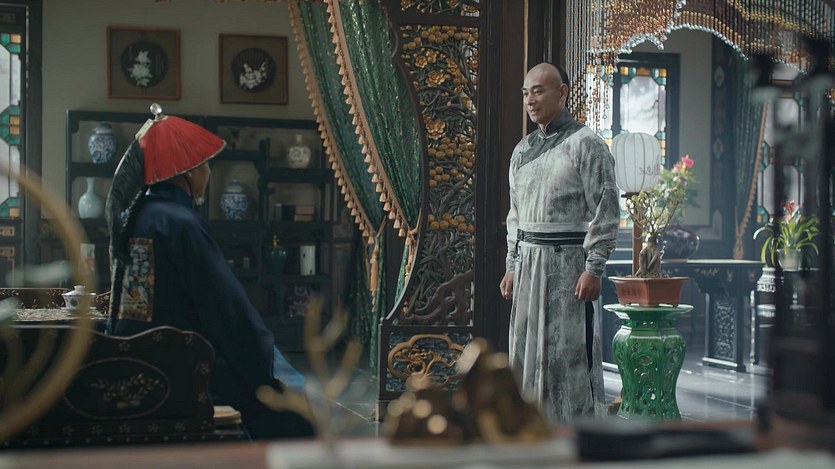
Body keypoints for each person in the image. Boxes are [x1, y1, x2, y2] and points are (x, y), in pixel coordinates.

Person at [104, 104, 314, 440]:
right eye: (205, 165)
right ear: (187, 172)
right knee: (289, 409)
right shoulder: (180, 223)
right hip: (180, 366)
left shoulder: (135, 215)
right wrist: (262, 362)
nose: (208, 172)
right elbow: (226, 309)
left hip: (136, 358)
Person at [499, 63, 619, 423]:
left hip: (568, 268)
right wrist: (512, 265)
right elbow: (516, 216)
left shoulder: (587, 144)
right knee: (525, 355)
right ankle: (527, 429)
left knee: (568, 358)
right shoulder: (522, 151)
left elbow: (606, 208)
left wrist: (594, 268)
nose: (530, 100)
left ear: (562, 92)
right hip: (528, 266)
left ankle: (574, 433)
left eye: (538, 91)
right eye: (525, 93)